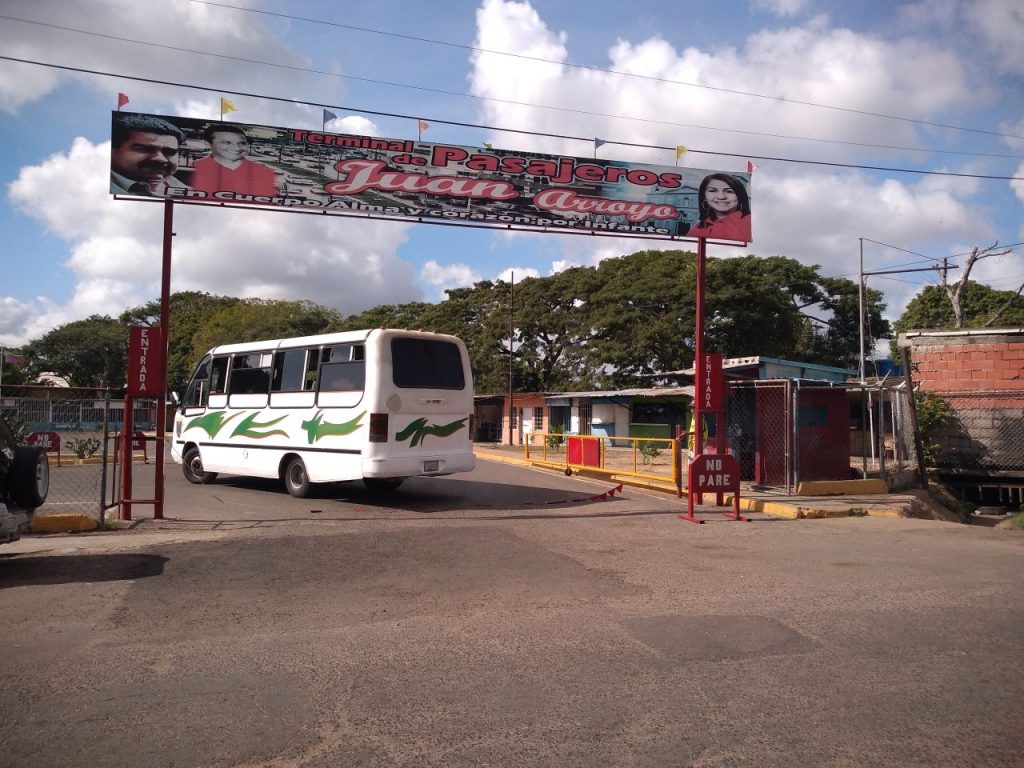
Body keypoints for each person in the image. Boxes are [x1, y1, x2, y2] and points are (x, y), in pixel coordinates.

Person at [189, 124, 278, 197]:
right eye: (227, 142)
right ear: (208, 144)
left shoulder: (265, 173)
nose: (236, 147)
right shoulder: (192, 169)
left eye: (242, 143)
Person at [110, 114, 188, 197]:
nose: (161, 159)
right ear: (112, 150)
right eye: (145, 149)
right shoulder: (100, 188)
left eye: (170, 152)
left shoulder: (184, 190)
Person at [686, 173, 751, 241]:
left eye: (729, 191)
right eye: (713, 191)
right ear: (704, 196)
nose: (721, 197)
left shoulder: (749, 223)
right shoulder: (698, 227)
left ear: (740, 196)